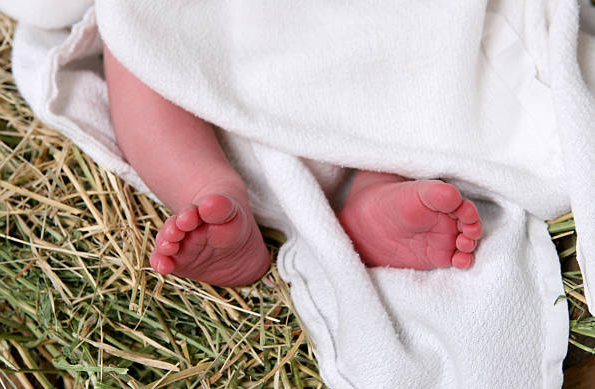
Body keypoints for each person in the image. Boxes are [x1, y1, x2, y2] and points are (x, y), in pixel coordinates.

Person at [103, 45, 482, 287]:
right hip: (213, 48)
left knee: (421, 40)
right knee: (137, 43)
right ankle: (207, 192)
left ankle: (379, 181)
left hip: (330, 47)